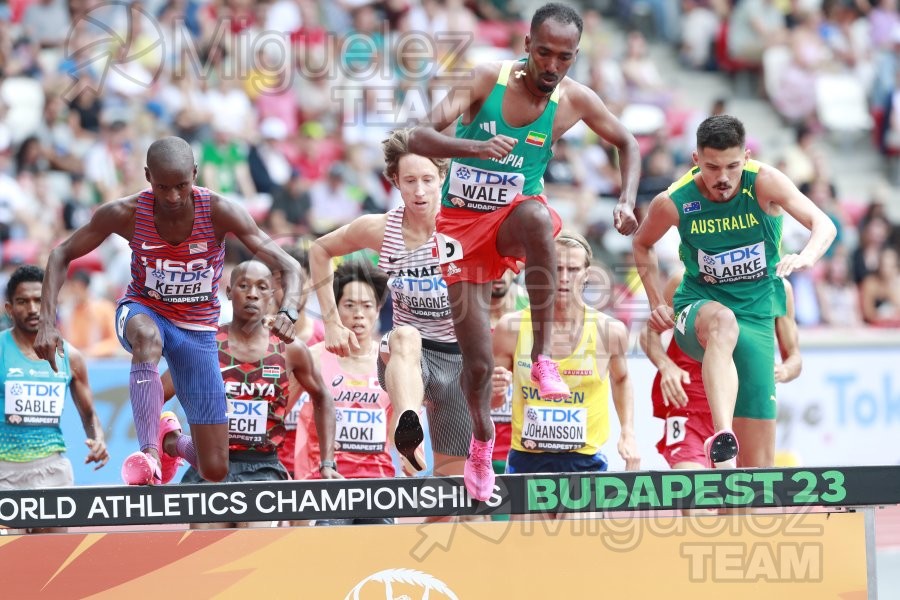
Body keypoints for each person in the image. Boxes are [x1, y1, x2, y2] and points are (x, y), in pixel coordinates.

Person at [408, 2, 641, 500]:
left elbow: (629, 142)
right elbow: (419, 134)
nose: (552, 67)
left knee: (538, 216)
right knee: (475, 366)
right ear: (526, 47)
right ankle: (481, 442)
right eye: (544, 54)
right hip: (461, 226)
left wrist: (625, 199)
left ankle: (541, 358)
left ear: (575, 57)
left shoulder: (574, 101)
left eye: (564, 57)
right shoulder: (486, 80)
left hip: (513, 220)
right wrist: (471, 149)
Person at [34, 136, 304, 486]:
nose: (174, 197)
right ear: (148, 177)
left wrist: (291, 310)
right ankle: (148, 453)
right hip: (143, 310)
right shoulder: (126, 213)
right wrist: (47, 323)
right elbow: (60, 254)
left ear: (195, 173)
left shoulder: (220, 210)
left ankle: (169, 442)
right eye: (163, 187)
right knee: (147, 338)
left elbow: (289, 266)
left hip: (197, 330)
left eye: (182, 185)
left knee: (215, 468)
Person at [632, 115, 836, 469]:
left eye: (732, 166)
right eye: (712, 167)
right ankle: (722, 436)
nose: (723, 178)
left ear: (746, 157)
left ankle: (736, 500)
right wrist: (654, 301)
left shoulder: (765, 182)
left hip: (756, 317)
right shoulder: (675, 200)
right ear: (696, 160)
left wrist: (806, 256)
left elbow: (823, 224)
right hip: (698, 306)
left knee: (756, 474)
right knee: (723, 321)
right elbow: (642, 242)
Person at [310, 129, 465, 488]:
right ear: (394, 180)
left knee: (452, 488)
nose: (419, 191)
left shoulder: (463, 225)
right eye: (409, 180)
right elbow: (319, 250)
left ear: (443, 176)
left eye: (428, 179)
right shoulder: (380, 229)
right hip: (404, 357)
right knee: (406, 336)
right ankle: (407, 428)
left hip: (457, 358)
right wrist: (332, 323)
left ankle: (417, 456)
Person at [159, 260, 337, 528]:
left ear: (271, 295)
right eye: (244, 286)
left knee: (254, 550)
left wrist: (327, 462)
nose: (252, 293)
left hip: (262, 469)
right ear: (229, 292)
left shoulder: (290, 350)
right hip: (209, 467)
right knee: (202, 556)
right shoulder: (204, 346)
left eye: (261, 287)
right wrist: (158, 446)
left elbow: (322, 396)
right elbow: (154, 394)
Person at [492, 232, 640, 490]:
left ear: (586, 274)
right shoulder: (511, 328)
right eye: (556, 268)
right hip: (527, 459)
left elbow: (622, 379)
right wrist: (494, 390)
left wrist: (628, 432)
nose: (563, 278)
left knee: (580, 533)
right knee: (524, 532)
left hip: (584, 461)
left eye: (572, 269)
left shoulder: (609, 331)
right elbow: (492, 401)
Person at [642, 271, 802, 476]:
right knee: (695, 494)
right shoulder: (683, 281)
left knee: (740, 500)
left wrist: (784, 370)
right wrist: (666, 365)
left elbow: (795, 358)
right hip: (691, 405)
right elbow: (648, 333)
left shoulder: (780, 289)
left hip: (742, 410)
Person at [0, 265, 108, 533]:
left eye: (39, 300)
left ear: (51, 304)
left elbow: (89, 413)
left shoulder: (70, 357)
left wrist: (98, 439)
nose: (33, 308)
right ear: (9, 308)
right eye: (23, 301)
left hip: (52, 472)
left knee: (52, 563)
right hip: (4, 475)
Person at [298, 260, 396, 526]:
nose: (358, 314)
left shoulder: (392, 361)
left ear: (377, 310)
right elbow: (286, 413)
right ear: (336, 310)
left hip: (378, 485)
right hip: (327, 485)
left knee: (380, 565)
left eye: (367, 306)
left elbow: (406, 426)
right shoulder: (314, 358)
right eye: (349, 306)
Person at [488, 270, 528, 475]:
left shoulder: (533, 309)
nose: (498, 275)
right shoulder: (463, 314)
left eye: (504, 268)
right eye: (492, 267)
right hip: (475, 447)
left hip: (523, 448)